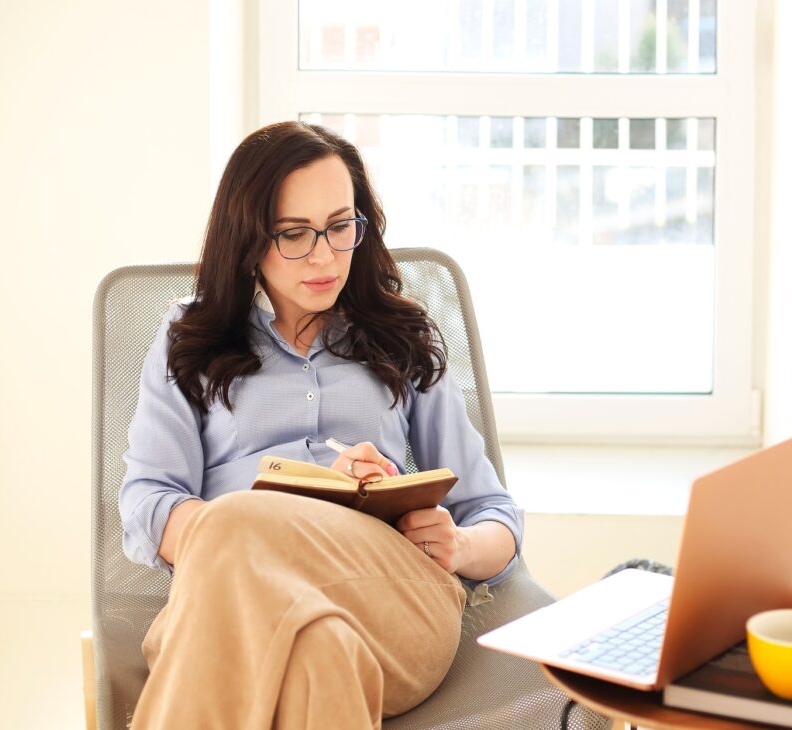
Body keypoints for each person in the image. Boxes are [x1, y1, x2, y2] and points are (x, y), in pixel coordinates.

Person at [118, 121, 522, 729]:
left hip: (395, 601)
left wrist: (460, 544)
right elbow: (148, 501)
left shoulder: (402, 335)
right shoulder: (189, 338)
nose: (325, 255)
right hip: (246, 606)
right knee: (317, 653)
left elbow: (496, 514)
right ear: (248, 238)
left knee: (231, 527)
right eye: (294, 235)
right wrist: (283, 505)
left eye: (340, 226)